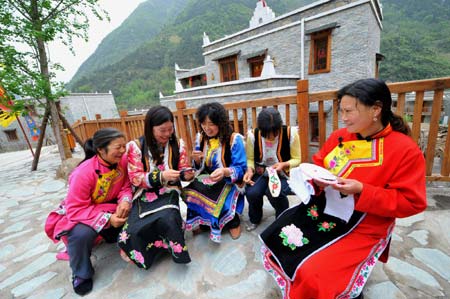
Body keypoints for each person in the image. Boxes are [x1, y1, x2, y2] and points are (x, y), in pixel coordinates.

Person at [259, 78, 427, 299]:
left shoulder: (405, 150)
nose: (343, 118)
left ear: (376, 109)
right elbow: (319, 164)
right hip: (323, 210)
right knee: (275, 235)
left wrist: (361, 190)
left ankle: (347, 293)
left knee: (315, 273)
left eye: (349, 111)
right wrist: (313, 180)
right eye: (341, 111)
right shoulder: (340, 137)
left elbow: (412, 202)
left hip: (366, 222)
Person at [45, 128, 132, 296]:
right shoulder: (82, 173)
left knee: (137, 210)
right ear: (100, 149)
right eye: (118, 147)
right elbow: (76, 209)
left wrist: (125, 200)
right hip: (86, 212)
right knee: (80, 235)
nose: (123, 151)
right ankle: (81, 273)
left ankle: (113, 236)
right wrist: (107, 219)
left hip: (113, 206)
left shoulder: (122, 161)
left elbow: (126, 186)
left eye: (124, 146)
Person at [118, 105, 194, 269]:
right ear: (150, 128)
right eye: (162, 130)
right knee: (130, 233)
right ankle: (151, 250)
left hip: (169, 190)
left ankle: (169, 247)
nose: (167, 134)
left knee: (169, 217)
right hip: (144, 193)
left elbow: (183, 168)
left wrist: (186, 174)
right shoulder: (136, 146)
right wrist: (160, 176)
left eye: (170, 129)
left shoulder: (178, 144)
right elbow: (135, 177)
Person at [184, 102, 247, 242]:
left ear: (221, 123)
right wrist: (197, 160)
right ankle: (204, 222)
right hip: (208, 176)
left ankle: (232, 222)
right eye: (203, 123)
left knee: (219, 195)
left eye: (211, 124)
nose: (207, 128)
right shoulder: (200, 138)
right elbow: (198, 168)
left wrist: (225, 171)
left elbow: (241, 168)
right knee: (191, 189)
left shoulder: (234, 139)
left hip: (228, 179)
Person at [243, 107, 301, 231]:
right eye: (266, 134)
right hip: (261, 171)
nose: (270, 137)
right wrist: (249, 170)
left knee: (274, 193)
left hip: (283, 172)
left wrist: (283, 164)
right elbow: (250, 159)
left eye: (274, 133)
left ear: (279, 127)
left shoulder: (291, 133)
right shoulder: (253, 135)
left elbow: (297, 159)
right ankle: (255, 219)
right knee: (252, 192)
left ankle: (282, 220)